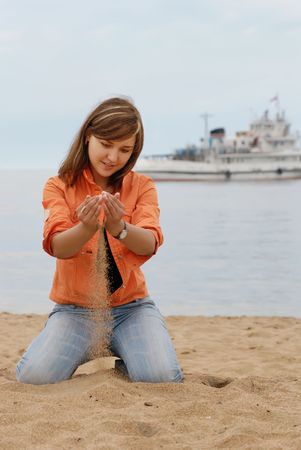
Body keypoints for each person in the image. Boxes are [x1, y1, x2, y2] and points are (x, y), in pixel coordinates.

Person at [16, 96, 183, 385]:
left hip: (131, 308)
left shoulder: (142, 186)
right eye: (106, 144)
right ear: (88, 136)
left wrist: (120, 228)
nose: (113, 157)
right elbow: (57, 246)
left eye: (124, 149)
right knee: (34, 377)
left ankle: (127, 357)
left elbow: (150, 243)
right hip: (75, 310)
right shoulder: (59, 185)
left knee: (161, 377)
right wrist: (86, 227)